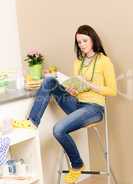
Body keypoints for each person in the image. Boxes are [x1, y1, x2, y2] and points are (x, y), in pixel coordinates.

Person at [12, 25, 117, 183]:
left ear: (93, 39)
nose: (81, 44)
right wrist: (72, 88)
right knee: (49, 81)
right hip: (76, 104)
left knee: (58, 129)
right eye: (79, 42)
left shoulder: (104, 61)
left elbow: (112, 90)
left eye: (84, 40)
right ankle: (32, 122)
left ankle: (77, 165)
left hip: (93, 109)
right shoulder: (78, 62)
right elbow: (77, 87)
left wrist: (88, 84)